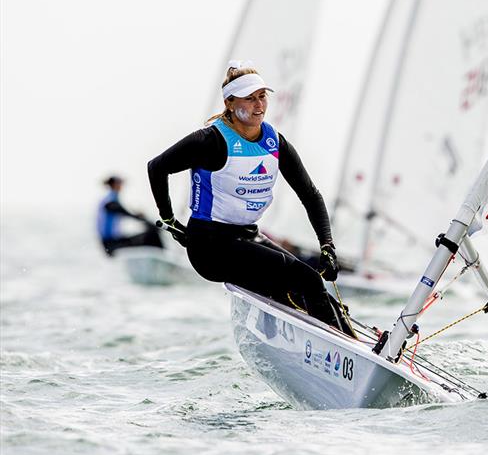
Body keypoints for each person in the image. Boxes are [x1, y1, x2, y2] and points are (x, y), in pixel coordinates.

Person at [147, 61, 354, 336]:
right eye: (250, 99)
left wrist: (327, 245)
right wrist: (170, 220)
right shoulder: (210, 142)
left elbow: (310, 195)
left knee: (311, 289)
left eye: (262, 97)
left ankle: (342, 342)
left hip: (247, 236)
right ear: (230, 103)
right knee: (306, 280)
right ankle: (341, 348)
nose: (259, 106)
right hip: (210, 246)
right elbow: (156, 167)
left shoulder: (273, 142)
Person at [97, 175, 164, 256]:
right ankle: (164, 261)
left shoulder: (110, 199)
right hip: (111, 245)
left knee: (151, 233)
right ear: (115, 184)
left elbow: (126, 212)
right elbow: (125, 212)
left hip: (114, 242)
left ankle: (158, 259)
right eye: (120, 184)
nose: (121, 186)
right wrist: (149, 223)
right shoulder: (110, 201)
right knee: (152, 234)